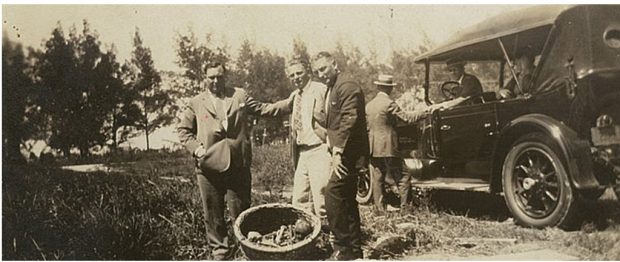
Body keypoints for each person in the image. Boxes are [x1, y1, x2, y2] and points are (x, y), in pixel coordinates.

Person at [176, 61, 291, 260]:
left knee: (241, 210)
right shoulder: (196, 102)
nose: (215, 81)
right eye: (211, 77)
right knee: (213, 213)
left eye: (219, 77)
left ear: (225, 76)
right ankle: (220, 252)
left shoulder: (239, 95)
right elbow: (183, 131)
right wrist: (198, 150)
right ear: (204, 78)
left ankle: (246, 249)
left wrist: (290, 103)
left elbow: (264, 109)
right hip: (208, 166)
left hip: (238, 164)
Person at [313, 51, 368, 260]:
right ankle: (354, 250)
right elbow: (335, 120)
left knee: (332, 195)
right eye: (317, 71)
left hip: (348, 155)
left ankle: (343, 249)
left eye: (324, 69)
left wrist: (337, 151)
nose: (321, 74)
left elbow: (349, 119)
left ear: (334, 64)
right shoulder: (333, 86)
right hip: (344, 153)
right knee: (346, 199)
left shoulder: (347, 85)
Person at [365, 74, 425, 213]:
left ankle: (379, 210)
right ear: (389, 89)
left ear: (378, 87)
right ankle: (406, 209)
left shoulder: (369, 106)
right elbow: (407, 118)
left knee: (378, 178)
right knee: (404, 177)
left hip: (373, 148)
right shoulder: (389, 104)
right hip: (388, 148)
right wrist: (423, 113)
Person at [284, 57, 331, 220]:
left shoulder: (321, 89)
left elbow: (333, 118)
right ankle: (307, 237)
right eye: (292, 75)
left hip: (319, 149)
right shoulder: (295, 95)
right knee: (299, 200)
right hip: (302, 152)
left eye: (299, 73)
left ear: (308, 72)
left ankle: (330, 237)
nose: (296, 77)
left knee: (322, 199)